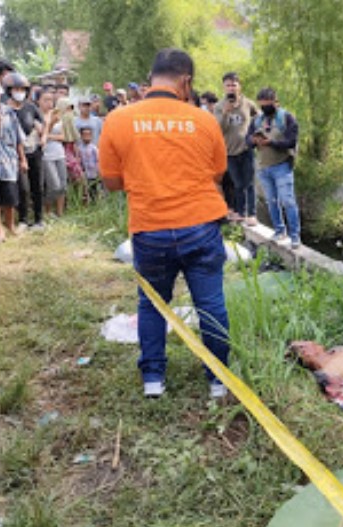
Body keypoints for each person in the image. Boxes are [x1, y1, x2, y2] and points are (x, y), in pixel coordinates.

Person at [99, 48, 231, 400]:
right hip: (201, 226)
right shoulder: (203, 120)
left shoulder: (118, 119)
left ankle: (153, 379)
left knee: (153, 303)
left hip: (150, 229)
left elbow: (111, 181)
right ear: (185, 81)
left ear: (152, 76)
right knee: (211, 304)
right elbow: (218, 171)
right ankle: (218, 381)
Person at [246, 87, 301, 248]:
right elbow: (247, 141)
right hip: (263, 167)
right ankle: (279, 231)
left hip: (282, 166)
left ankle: (295, 236)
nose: (265, 107)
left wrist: (272, 143)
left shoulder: (287, 117)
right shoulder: (256, 120)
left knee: (288, 201)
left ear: (276, 102)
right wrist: (254, 141)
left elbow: (291, 141)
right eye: (262, 105)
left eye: (267, 104)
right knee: (271, 201)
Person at [0, 77, 27, 241]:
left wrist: (23, 159)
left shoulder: (8, 112)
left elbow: (18, 138)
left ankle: (10, 225)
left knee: (10, 198)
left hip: (8, 163)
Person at [214, 72, 259, 225]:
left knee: (250, 182)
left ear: (239, 87)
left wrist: (255, 135)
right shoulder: (219, 106)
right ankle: (241, 212)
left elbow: (259, 118)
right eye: (228, 85)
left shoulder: (248, 103)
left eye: (234, 84)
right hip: (229, 152)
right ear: (224, 87)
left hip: (246, 149)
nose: (231, 88)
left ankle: (252, 214)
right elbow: (218, 129)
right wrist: (225, 113)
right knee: (238, 184)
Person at [4, 72, 45, 231]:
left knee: (37, 186)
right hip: (14, 154)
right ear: (9, 90)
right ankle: (23, 220)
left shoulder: (31, 107)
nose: (19, 92)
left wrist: (43, 135)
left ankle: (39, 219)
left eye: (22, 89)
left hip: (34, 151)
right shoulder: (5, 110)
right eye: (16, 89)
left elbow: (41, 123)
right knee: (22, 188)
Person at [40, 90, 67, 217]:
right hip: (46, 155)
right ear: (39, 101)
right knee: (54, 185)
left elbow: (63, 137)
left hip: (60, 153)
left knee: (62, 185)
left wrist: (49, 135)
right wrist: (50, 124)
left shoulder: (57, 115)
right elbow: (41, 136)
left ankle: (60, 213)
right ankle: (47, 211)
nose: (49, 103)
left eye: (51, 100)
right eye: (45, 100)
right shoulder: (38, 115)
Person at [78, 127, 99, 203]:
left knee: (93, 190)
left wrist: (98, 171)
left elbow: (98, 160)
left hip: (93, 174)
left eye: (89, 135)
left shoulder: (94, 148)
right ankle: (85, 204)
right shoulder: (79, 148)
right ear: (81, 136)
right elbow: (79, 160)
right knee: (84, 190)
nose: (87, 137)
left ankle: (94, 204)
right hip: (84, 174)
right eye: (85, 135)